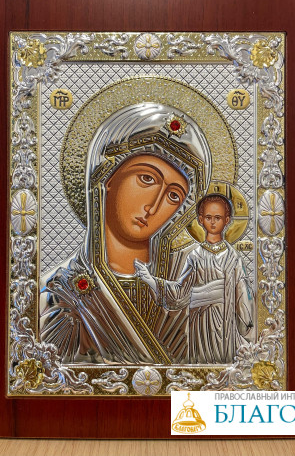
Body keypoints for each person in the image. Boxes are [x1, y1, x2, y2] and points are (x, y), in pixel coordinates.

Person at [39, 103, 212, 364]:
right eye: (147, 179)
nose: (153, 206)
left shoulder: (189, 287)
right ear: (107, 178)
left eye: (173, 196)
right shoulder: (59, 292)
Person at [135, 193, 256, 364]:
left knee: (224, 359)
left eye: (218, 218)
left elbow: (242, 293)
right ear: (200, 220)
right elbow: (181, 292)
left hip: (225, 321)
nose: (213, 222)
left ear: (227, 220)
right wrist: (150, 280)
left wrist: (247, 326)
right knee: (202, 360)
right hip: (200, 321)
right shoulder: (195, 256)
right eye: (208, 217)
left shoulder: (233, 257)